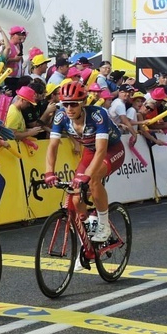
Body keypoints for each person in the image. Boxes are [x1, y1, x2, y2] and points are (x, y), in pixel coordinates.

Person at [45, 81, 125, 245]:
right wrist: (49, 171)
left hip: (112, 149)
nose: (69, 108)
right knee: (75, 198)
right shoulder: (61, 117)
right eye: (65, 104)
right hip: (90, 151)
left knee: (93, 179)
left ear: (83, 102)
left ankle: (104, 225)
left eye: (73, 104)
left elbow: (101, 150)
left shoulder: (97, 115)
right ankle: (89, 233)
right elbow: (53, 146)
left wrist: (87, 176)